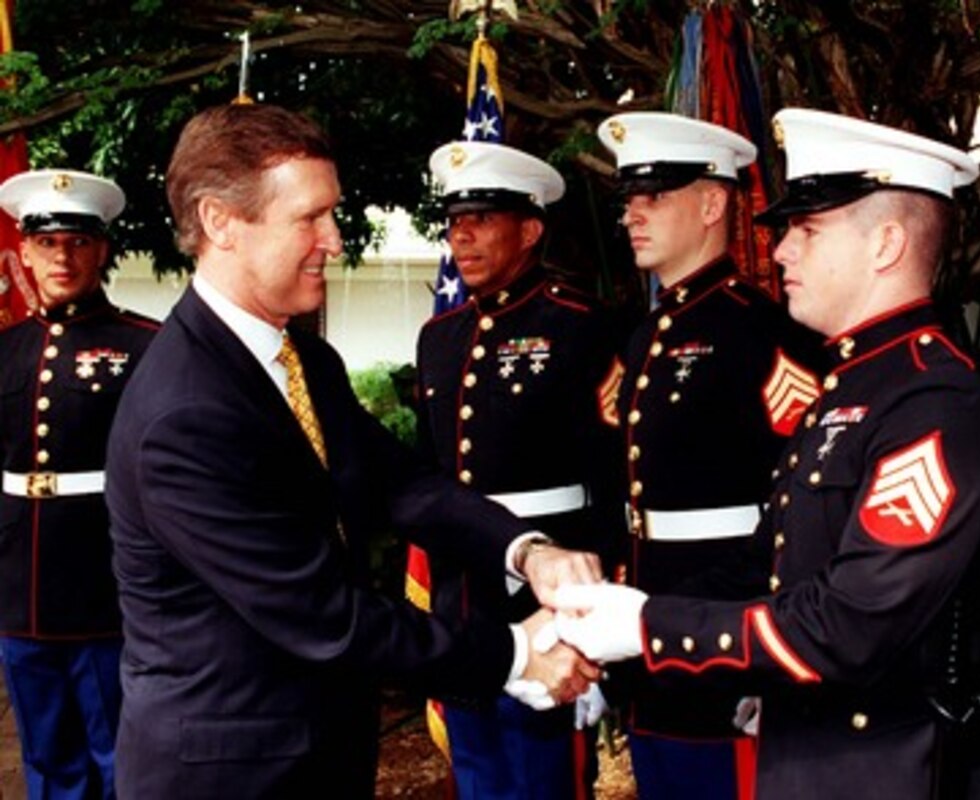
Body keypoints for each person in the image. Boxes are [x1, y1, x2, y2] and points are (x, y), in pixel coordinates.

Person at [104, 102, 602, 800]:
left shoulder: (302, 358)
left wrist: (527, 551)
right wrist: (519, 654)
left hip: (317, 747)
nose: (334, 240)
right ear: (221, 222)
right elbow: (320, 612)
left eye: (331, 214)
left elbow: (402, 483)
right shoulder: (184, 412)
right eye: (309, 217)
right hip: (229, 773)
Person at [556, 108, 980, 799]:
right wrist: (622, 607)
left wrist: (650, 625)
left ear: (886, 243)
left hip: (896, 773)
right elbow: (777, 564)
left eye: (807, 228)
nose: (779, 252)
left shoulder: (938, 407)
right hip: (814, 750)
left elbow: (850, 625)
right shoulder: (852, 385)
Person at [590, 111, 824, 799]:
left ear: (713, 202)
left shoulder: (761, 332)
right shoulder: (645, 336)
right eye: (629, 198)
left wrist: (766, 663)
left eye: (654, 195)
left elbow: (800, 506)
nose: (633, 213)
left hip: (727, 639)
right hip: (651, 621)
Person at [416, 140, 627, 798]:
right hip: (463, 601)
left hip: (550, 603)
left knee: (544, 781)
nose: (462, 235)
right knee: (477, 774)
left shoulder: (582, 325)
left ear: (530, 229)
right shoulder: (441, 336)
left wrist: (595, 620)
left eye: (481, 218)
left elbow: (615, 482)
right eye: (454, 221)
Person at [0, 169, 160, 799]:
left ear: (102, 250)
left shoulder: (146, 345)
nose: (62, 257)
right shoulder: (5, 348)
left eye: (77, 242)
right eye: (47, 243)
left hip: (105, 580)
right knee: (46, 757)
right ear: (25, 253)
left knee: (117, 754)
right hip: (18, 586)